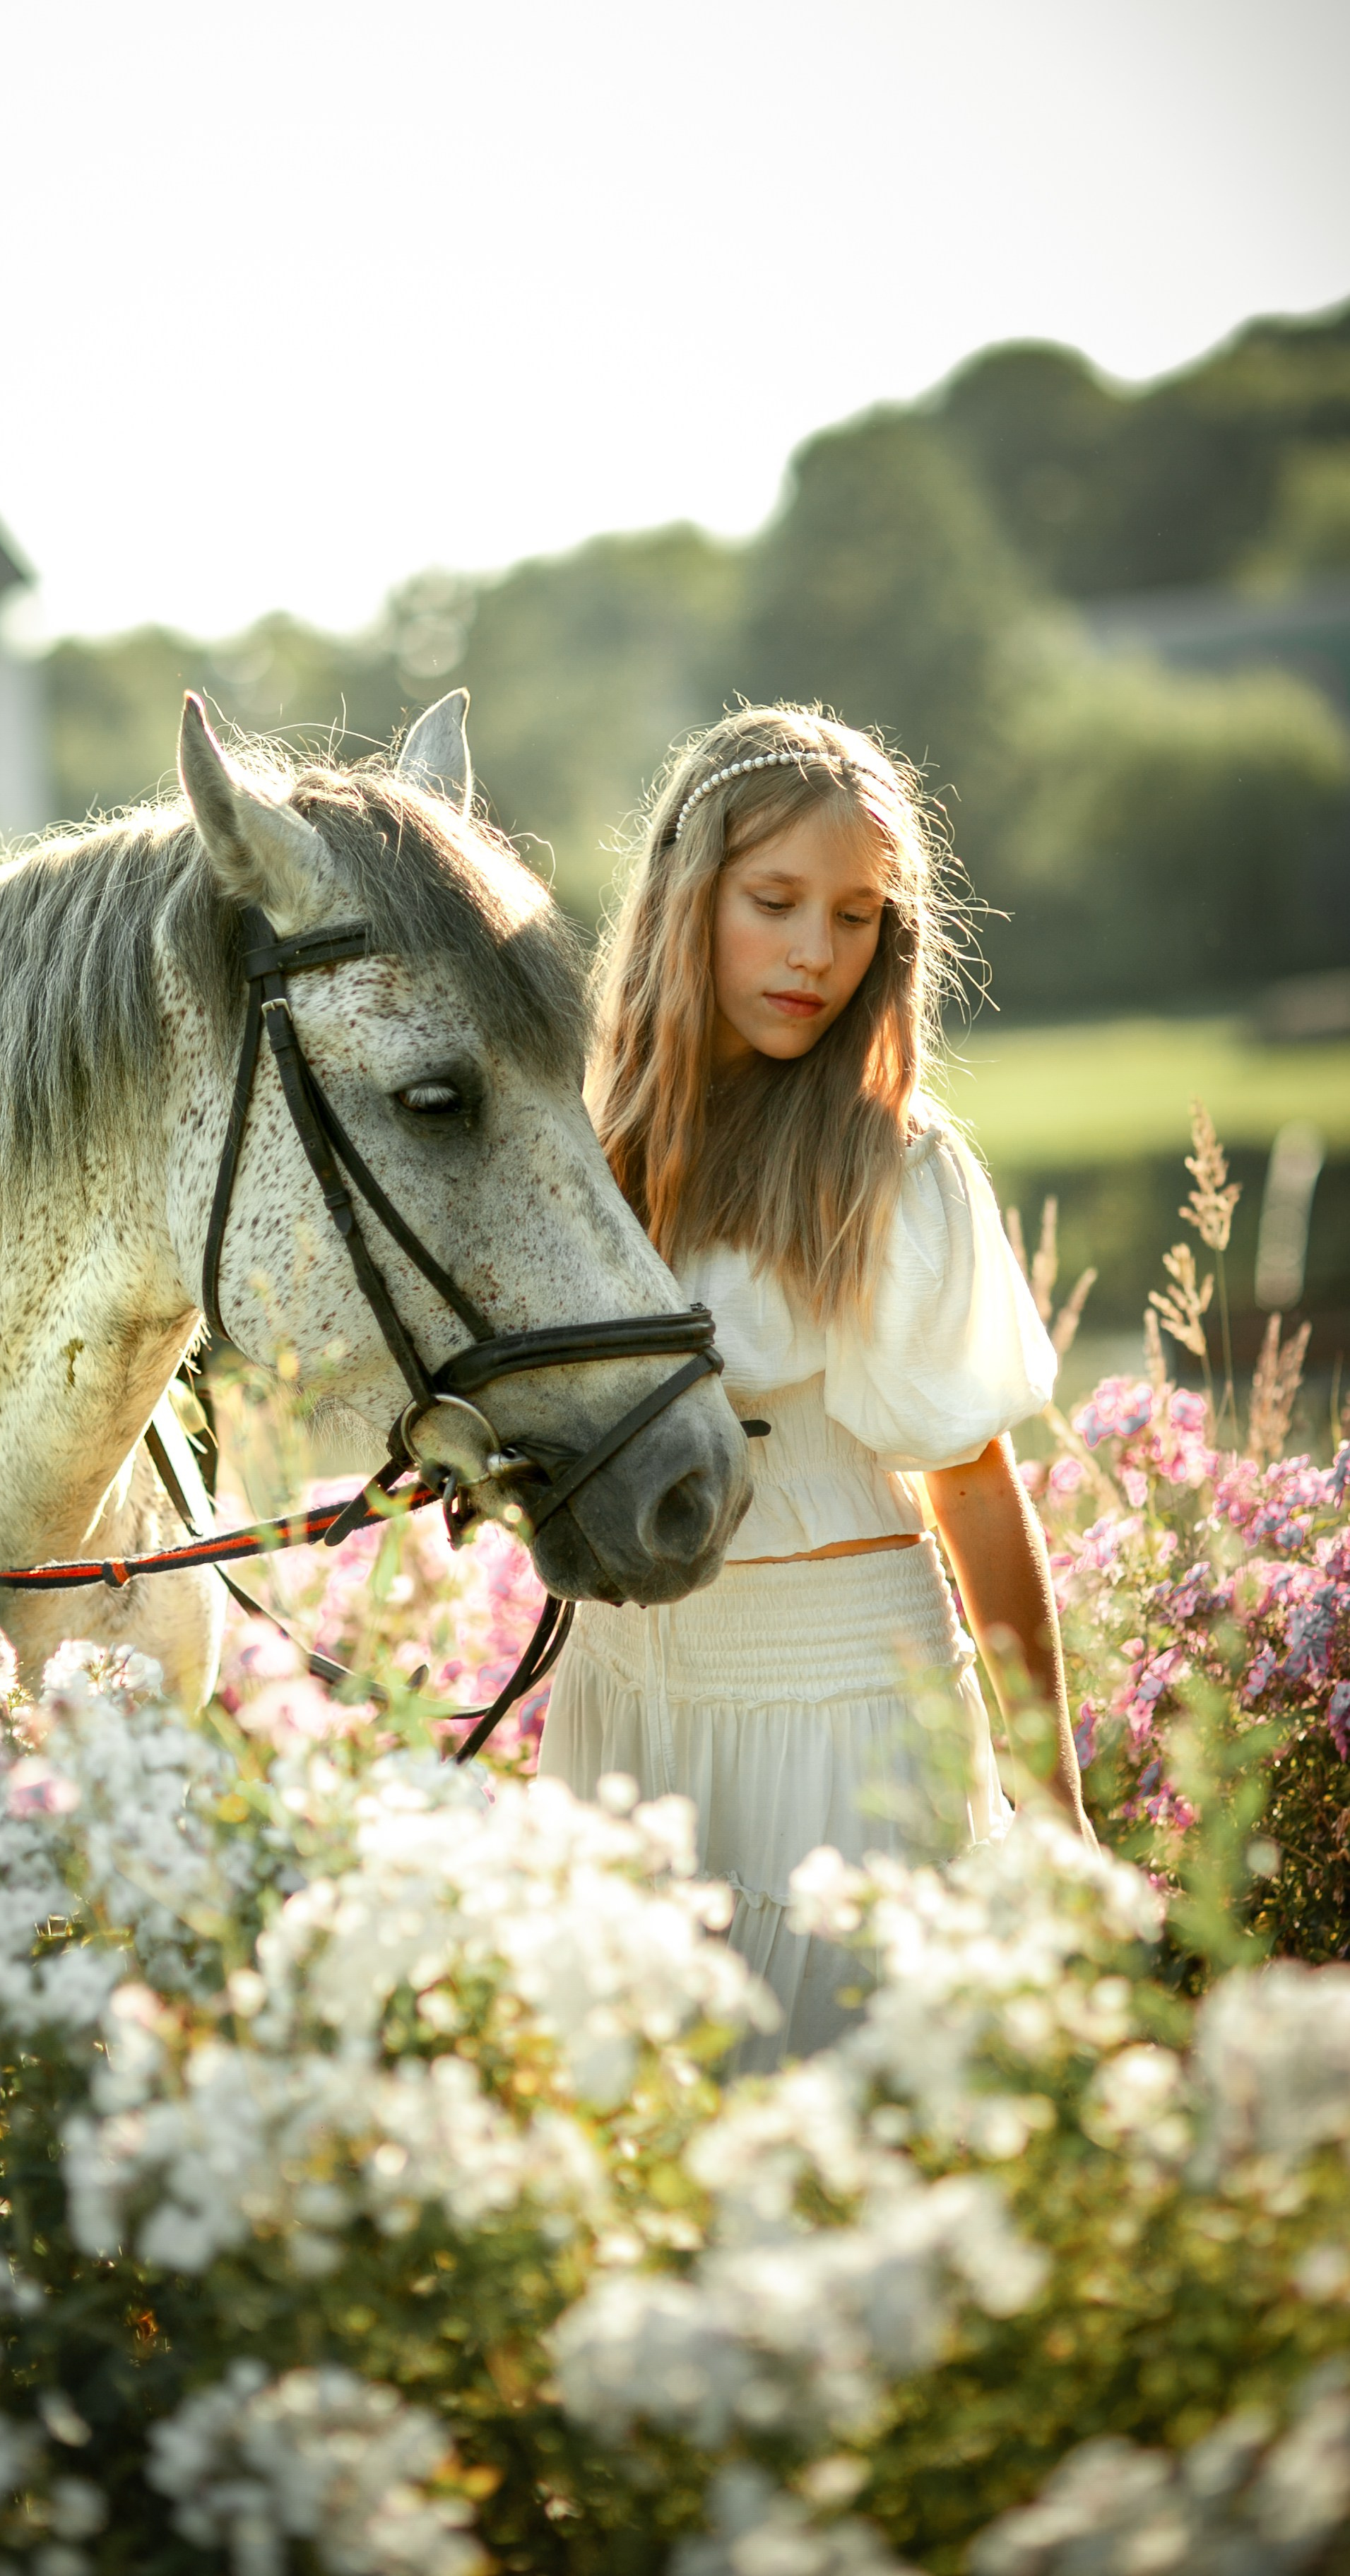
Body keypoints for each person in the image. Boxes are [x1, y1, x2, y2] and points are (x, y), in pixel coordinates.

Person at [538, 705, 1091, 2063]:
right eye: (776, 901)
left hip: (838, 1704)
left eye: (858, 918)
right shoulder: (583, 1136)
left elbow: (970, 1485)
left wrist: (1053, 1802)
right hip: (626, 1692)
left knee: (825, 2139)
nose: (816, 956)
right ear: (687, 894)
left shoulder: (891, 1166)